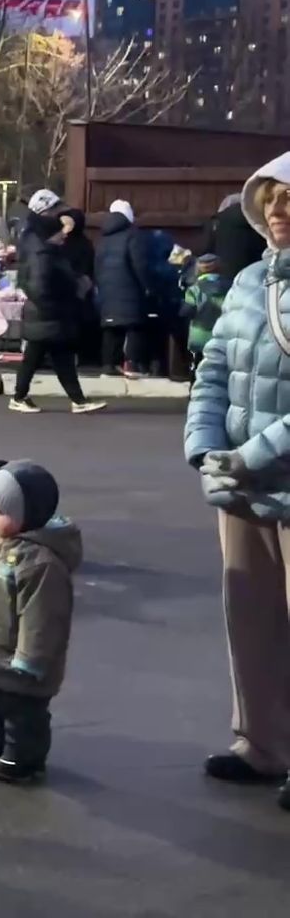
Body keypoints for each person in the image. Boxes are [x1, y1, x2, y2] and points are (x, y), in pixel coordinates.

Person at [182, 150, 290, 815]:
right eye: (272, 199)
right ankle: (264, 745)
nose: (279, 211)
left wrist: (250, 452)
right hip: (243, 485)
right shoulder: (249, 281)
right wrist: (204, 445)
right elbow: (213, 367)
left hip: (265, 469)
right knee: (249, 616)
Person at [0, 459, 80, 786]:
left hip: (20, 656)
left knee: (23, 709)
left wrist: (30, 657)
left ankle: (26, 756)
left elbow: (43, 616)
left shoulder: (41, 563)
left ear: (28, 513)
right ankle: (2, 740)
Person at [10, 196, 106, 415]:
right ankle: (20, 396)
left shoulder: (38, 237)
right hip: (47, 309)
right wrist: (61, 296)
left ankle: (76, 400)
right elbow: (39, 280)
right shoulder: (40, 244)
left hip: (48, 309)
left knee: (56, 355)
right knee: (40, 356)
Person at [95, 202, 153, 378]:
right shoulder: (133, 235)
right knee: (134, 325)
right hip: (130, 288)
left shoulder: (103, 238)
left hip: (107, 289)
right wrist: (148, 285)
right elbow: (139, 264)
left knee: (111, 328)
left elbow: (96, 265)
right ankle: (132, 364)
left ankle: (108, 365)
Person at [181, 252, 229, 373]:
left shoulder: (194, 289)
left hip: (199, 337)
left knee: (198, 367)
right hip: (224, 336)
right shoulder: (231, 287)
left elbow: (186, 312)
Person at [205, 191, 267, 278]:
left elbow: (208, 252)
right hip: (255, 277)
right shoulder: (260, 222)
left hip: (224, 278)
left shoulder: (219, 222)